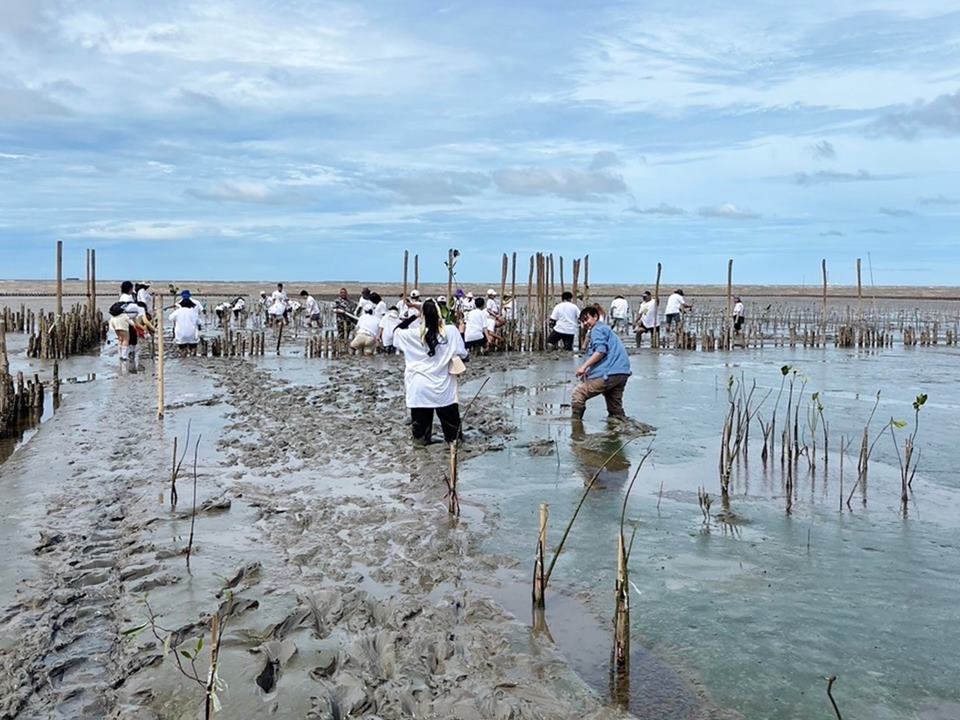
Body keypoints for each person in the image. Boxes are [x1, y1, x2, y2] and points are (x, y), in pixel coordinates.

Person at [393, 299, 468, 447]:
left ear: (422, 315)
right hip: (443, 387)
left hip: (419, 386)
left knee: (420, 433)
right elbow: (463, 353)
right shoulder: (450, 331)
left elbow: (395, 332)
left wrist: (414, 316)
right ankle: (453, 448)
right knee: (453, 434)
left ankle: (421, 450)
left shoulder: (412, 334)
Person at [572, 305, 632, 419]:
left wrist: (583, 367)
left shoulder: (597, 329)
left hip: (610, 373)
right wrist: (589, 371)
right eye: (583, 321)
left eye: (587, 319)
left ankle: (576, 424)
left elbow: (600, 352)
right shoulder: (604, 328)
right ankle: (621, 427)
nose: (585, 323)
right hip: (622, 373)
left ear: (595, 316)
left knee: (579, 393)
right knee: (615, 410)